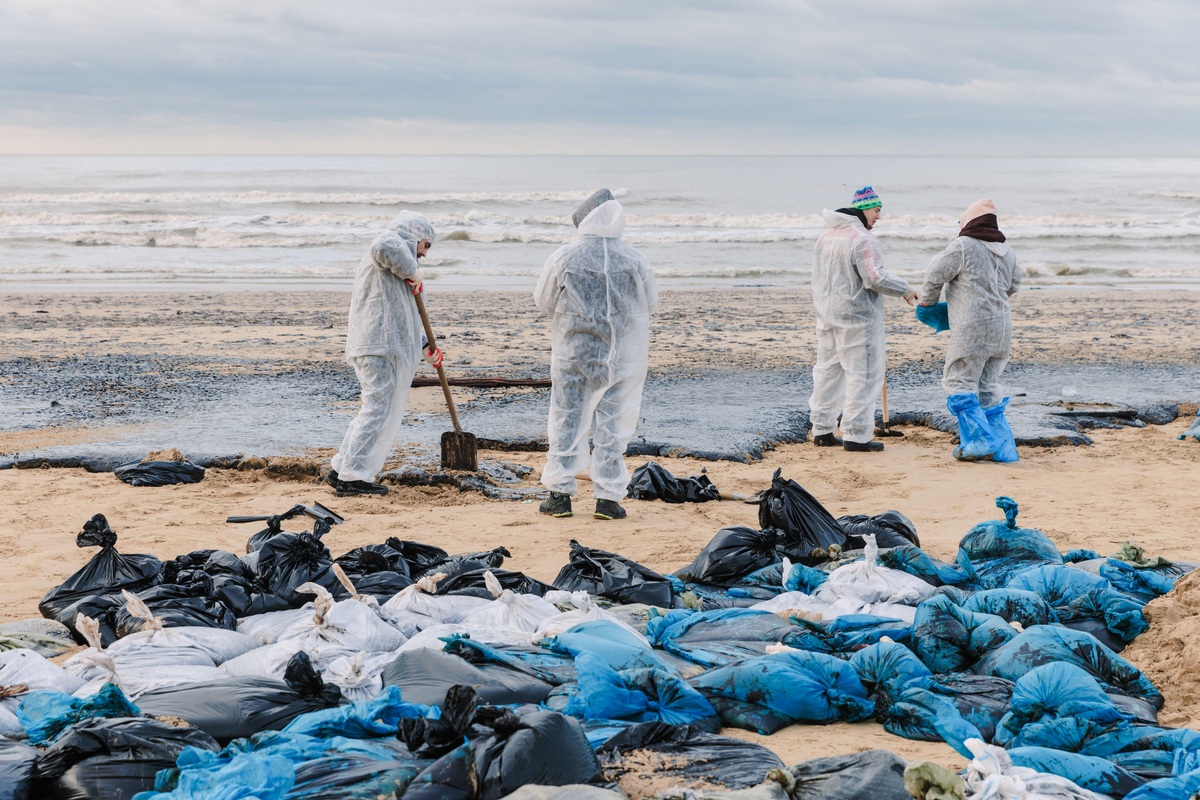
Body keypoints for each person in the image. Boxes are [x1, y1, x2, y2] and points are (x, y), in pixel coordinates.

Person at [534, 189, 657, 520]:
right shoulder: (634, 259)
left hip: (575, 353)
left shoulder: (564, 257)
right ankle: (608, 499)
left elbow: (543, 301)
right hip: (620, 355)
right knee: (613, 423)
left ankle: (559, 496)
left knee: (567, 418)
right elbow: (649, 303)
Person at [327, 211, 443, 496]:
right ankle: (352, 477)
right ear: (413, 233)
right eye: (425, 245)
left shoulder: (399, 269)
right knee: (377, 407)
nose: (425, 254)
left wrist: (424, 345)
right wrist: (412, 271)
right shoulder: (392, 244)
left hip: (382, 343)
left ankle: (341, 467)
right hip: (378, 345)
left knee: (374, 406)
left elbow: (402, 316)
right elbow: (383, 245)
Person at [809, 186, 917, 453]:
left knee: (828, 373)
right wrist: (905, 288)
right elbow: (875, 277)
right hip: (858, 319)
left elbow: (819, 278)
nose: (878, 217)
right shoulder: (863, 239)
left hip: (828, 316)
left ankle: (822, 430)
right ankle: (856, 436)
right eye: (876, 210)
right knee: (864, 376)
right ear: (863, 209)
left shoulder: (826, 236)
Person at [918, 199, 1021, 462]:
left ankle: (979, 440)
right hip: (1002, 327)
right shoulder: (1007, 250)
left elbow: (934, 274)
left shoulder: (963, 247)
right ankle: (1003, 450)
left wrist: (927, 303)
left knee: (959, 381)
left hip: (972, 327)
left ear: (968, 222)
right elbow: (1013, 285)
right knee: (988, 386)